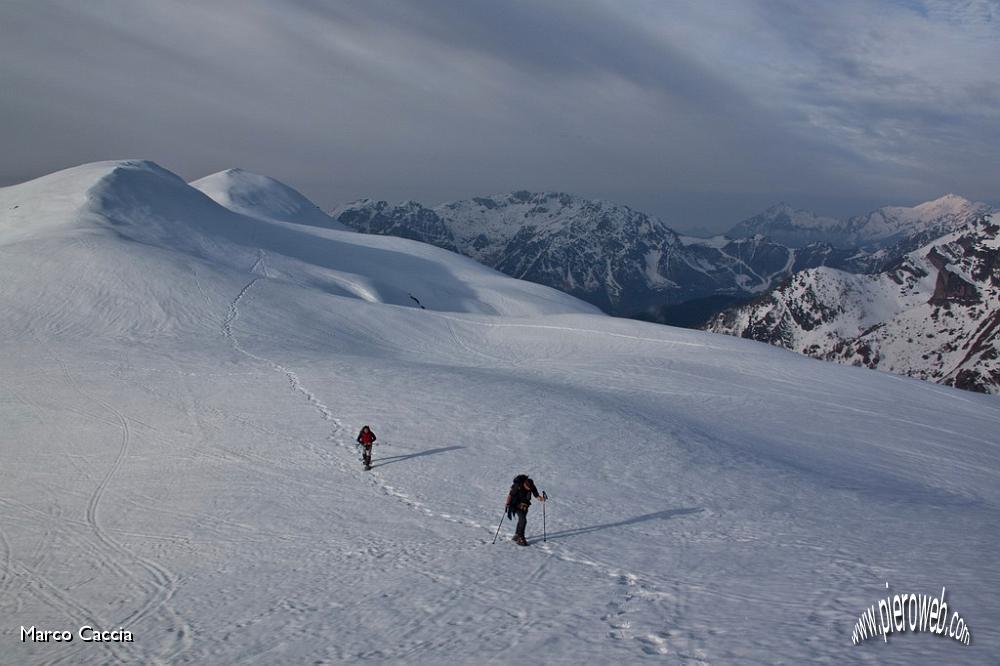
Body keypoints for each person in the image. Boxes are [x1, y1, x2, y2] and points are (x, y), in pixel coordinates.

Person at [505, 474, 545, 546]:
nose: (529, 489)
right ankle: (521, 538)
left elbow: (536, 495)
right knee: (523, 520)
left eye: (530, 488)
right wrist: (507, 504)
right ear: (524, 484)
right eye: (527, 488)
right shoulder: (518, 486)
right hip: (515, 505)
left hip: (525, 506)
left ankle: (517, 535)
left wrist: (541, 498)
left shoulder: (532, 486)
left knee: (521, 520)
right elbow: (510, 495)